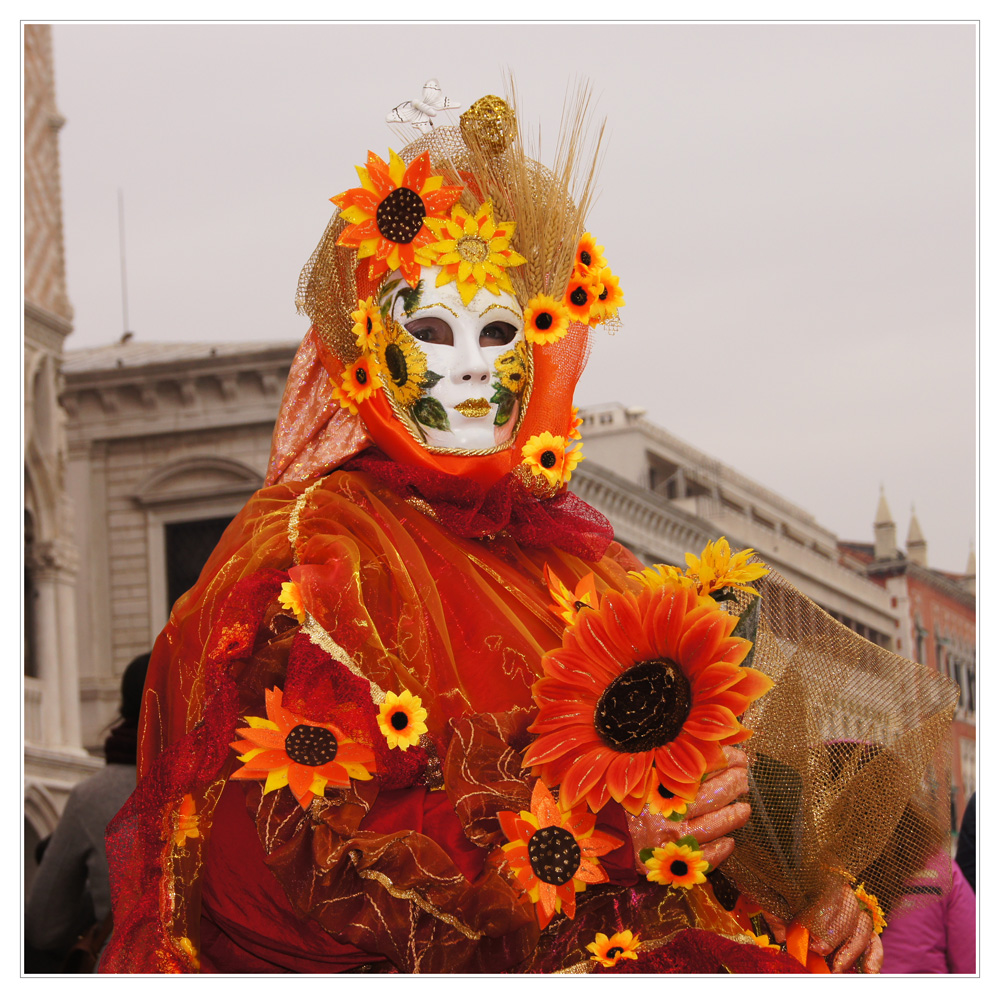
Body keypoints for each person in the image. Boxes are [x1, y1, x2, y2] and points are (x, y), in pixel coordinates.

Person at [100, 88, 955, 974]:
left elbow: (715, 809)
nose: (471, 361)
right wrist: (609, 833)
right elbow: (291, 857)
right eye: (430, 327)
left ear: (542, 350)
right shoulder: (317, 557)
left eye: (501, 328)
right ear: (364, 348)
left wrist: (801, 882)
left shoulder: (593, 574)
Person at [26, 653, 149, 970]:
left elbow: (45, 928)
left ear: (125, 709)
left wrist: (100, 900)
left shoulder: (92, 798)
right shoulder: (238, 786)